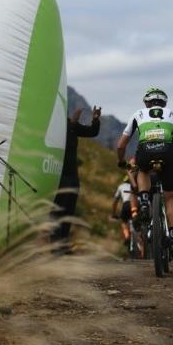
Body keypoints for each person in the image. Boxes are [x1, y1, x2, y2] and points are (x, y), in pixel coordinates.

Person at [115, 87, 173, 260]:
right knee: (171, 198)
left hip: (145, 151)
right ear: (164, 103)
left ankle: (145, 201)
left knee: (142, 170)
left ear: (146, 103)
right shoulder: (172, 114)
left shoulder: (138, 114)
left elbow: (121, 145)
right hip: (167, 153)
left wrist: (122, 162)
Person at [51, 106, 101, 253]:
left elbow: (92, 132)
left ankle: (64, 243)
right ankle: (55, 246)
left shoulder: (71, 125)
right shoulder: (56, 126)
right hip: (57, 174)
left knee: (68, 210)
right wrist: (72, 124)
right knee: (57, 210)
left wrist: (96, 120)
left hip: (72, 176)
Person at [110, 161, 139, 256]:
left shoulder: (121, 186)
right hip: (136, 205)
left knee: (123, 221)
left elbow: (115, 201)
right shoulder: (137, 186)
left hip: (126, 205)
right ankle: (143, 248)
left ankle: (127, 236)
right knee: (140, 226)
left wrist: (113, 213)